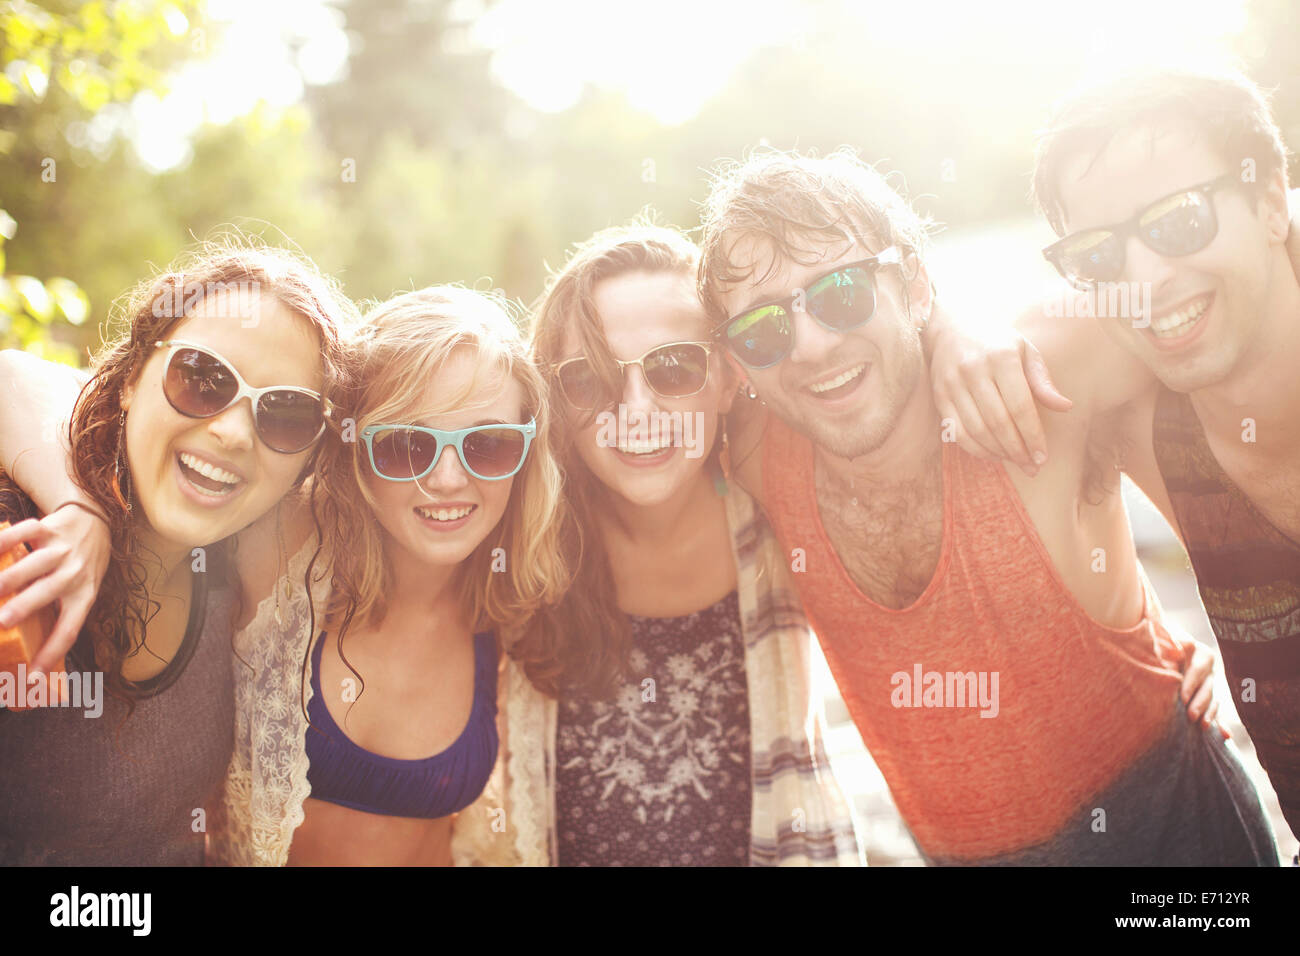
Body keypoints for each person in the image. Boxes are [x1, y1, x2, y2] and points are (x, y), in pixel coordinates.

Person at [696, 148, 1276, 865]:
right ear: (735, 360)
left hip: (1172, 837)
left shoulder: (1043, 372)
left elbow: (1256, 266)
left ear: (910, 282)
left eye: (842, 292)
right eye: (762, 330)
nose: (811, 347)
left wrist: (1261, 644)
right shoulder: (750, 444)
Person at [932, 66, 1300, 846]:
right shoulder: (1145, 407)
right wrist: (947, 332)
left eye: (1179, 221)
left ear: (1271, 200)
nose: (1144, 281)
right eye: (1100, 254)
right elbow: (975, 333)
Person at [452, 222, 861, 866]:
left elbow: (901, 387)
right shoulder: (516, 544)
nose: (635, 409)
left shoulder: (790, 504)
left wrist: (949, 331)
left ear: (730, 378)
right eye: (590, 380)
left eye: (674, 368)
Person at [0, 242, 352, 864]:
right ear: (131, 378)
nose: (234, 431)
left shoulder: (245, 574)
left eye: (288, 414)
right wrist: (73, 507)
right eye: (203, 378)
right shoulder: (23, 555)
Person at [207, 286, 567, 865]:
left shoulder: (513, 607)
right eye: (406, 445)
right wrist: (81, 517)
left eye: (489, 444)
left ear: (526, 453)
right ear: (353, 447)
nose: (448, 480)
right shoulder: (273, 544)